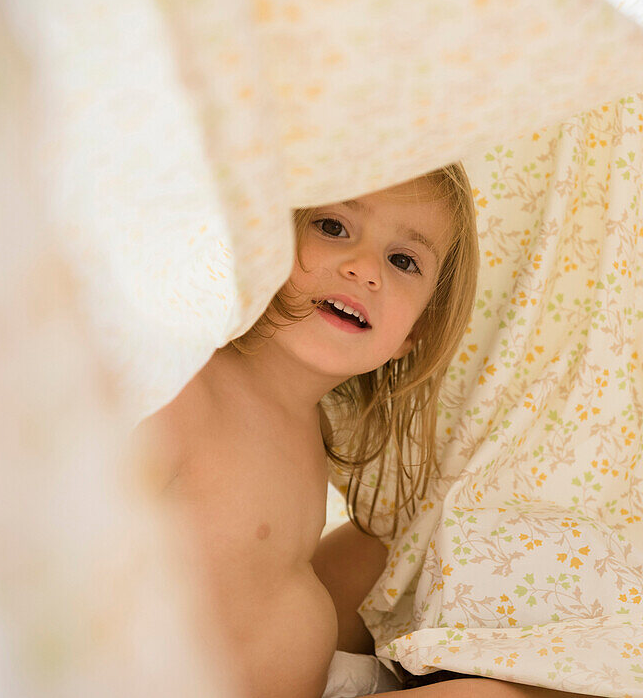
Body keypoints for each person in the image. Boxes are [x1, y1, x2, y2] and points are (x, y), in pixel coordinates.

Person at [137, 164, 479, 698]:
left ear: (418, 330)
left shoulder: (309, 426)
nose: (366, 270)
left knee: (416, 542)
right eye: (333, 227)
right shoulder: (184, 390)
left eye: (402, 261)